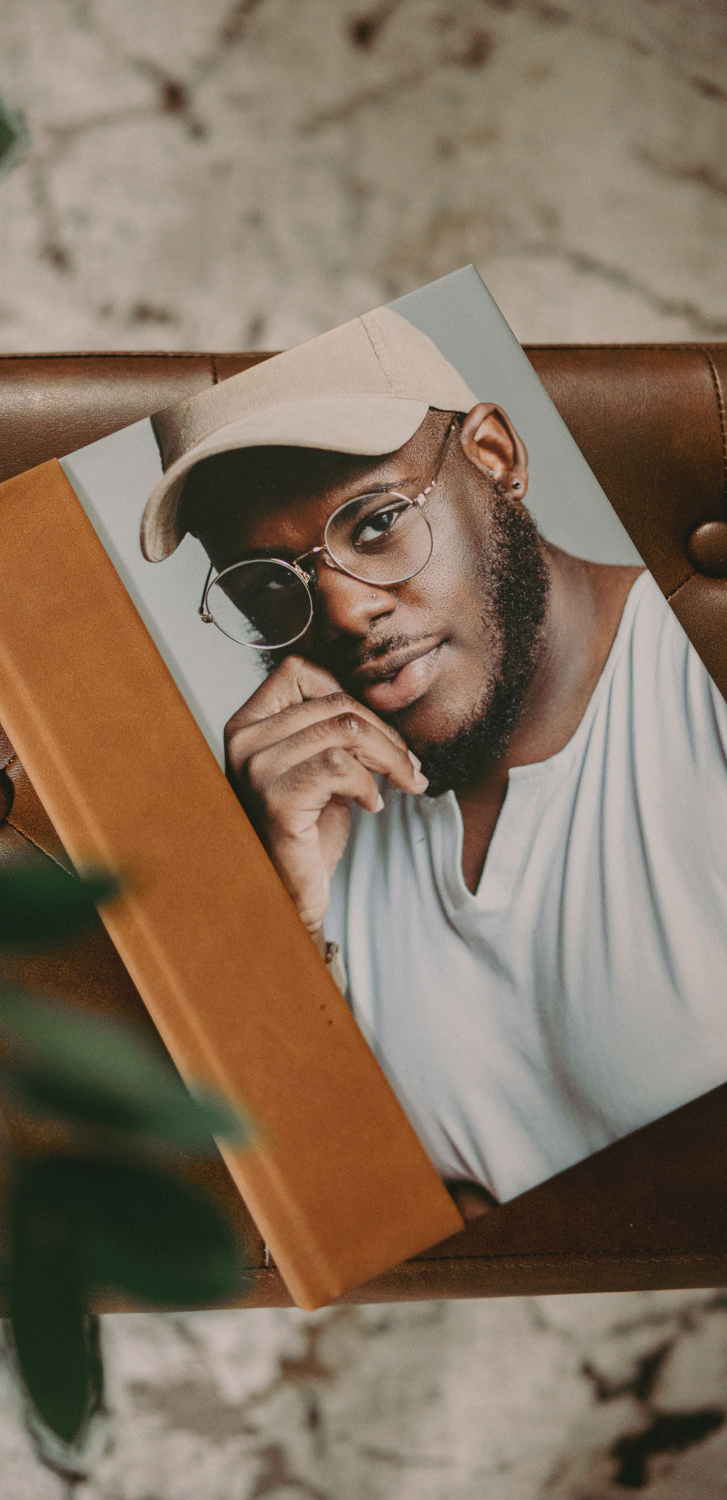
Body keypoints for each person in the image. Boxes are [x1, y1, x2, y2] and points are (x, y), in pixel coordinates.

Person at [139, 307, 727, 1217]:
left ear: (495, 456)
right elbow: (300, 1222)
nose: (340, 613)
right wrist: (275, 911)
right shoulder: (302, 825)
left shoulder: (697, 687)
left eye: (375, 525)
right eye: (267, 585)